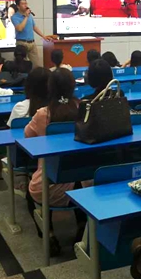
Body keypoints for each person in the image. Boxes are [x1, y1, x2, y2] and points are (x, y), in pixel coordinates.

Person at [26, 69, 88, 256]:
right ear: (73, 86)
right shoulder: (84, 109)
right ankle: (82, 226)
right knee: (77, 179)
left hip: (50, 185)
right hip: (84, 185)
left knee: (31, 192)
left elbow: (28, 136)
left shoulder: (42, 114)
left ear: (50, 88)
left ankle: (49, 234)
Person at [11, 0, 53, 68]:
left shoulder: (29, 15)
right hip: (22, 43)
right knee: (22, 65)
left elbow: (34, 27)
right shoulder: (15, 17)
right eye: (23, 4)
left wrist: (43, 36)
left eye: (26, 3)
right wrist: (26, 17)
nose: (25, 5)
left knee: (35, 64)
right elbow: (20, 28)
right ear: (18, 6)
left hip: (32, 43)